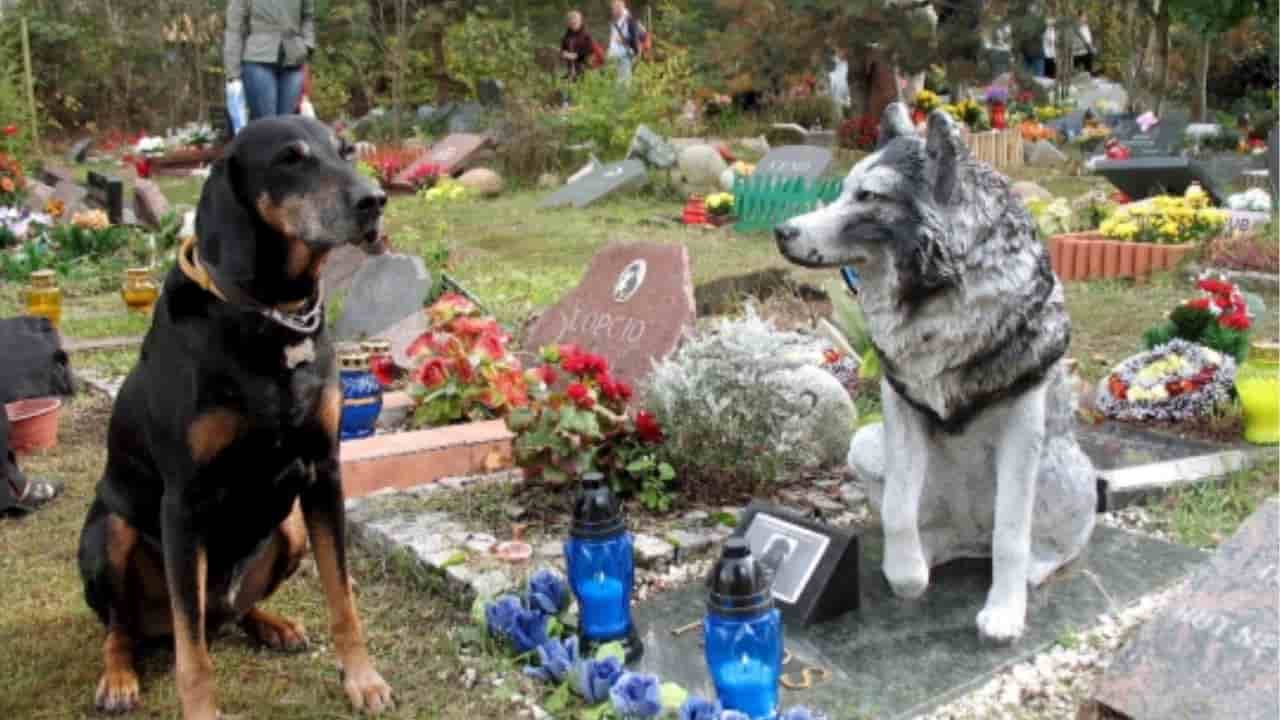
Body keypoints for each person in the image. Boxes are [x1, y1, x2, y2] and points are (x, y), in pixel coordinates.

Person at [224, 0, 315, 122]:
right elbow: (234, 29)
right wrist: (233, 74)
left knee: (287, 125)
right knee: (266, 124)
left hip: (294, 59)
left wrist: (307, 45)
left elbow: (307, 16)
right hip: (257, 59)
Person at [607, 0, 647, 84]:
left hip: (625, 56)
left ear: (621, 7)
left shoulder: (630, 20)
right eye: (612, 8)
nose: (613, 10)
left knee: (623, 82)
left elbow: (635, 38)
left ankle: (623, 97)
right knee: (617, 81)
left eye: (615, 7)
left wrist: (624, 40)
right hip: (616, 56)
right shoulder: (615, 20)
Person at [560, 10, 597, 80]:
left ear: (580, 22)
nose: (573, 24)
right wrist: (564, 54)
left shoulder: (586, 36)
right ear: (568, 23)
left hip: (585, 69)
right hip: (570, 70)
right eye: (571, 22)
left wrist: (576, 56)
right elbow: (562, 50)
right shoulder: (566, 36)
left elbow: (591, 51)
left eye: (575, 22)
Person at [1072, 11, 1094, 76]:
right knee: (1081, 68)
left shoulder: (1085, 26)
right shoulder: (1077, 26)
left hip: (1085, 50)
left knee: (1086, 69)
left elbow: (1088, 38)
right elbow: (1085, 38)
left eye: (1086, 16)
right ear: (1079, 17)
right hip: (1080, 50)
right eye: (1084, 16)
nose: (1086, 18)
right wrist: (1090, 47)